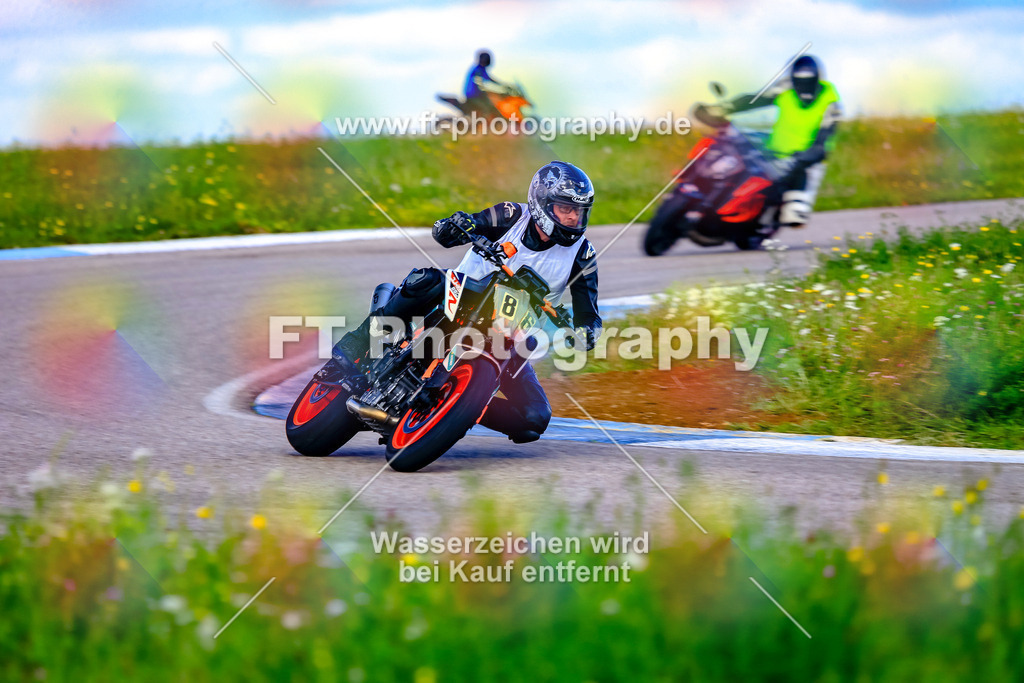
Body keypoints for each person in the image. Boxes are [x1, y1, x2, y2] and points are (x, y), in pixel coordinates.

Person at [328, 161, 602, 444]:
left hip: (512, 335)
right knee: (425, 280)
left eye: (580, 210)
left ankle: (452, 409)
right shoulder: (511, 215)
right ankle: (359, 343)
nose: (573, 217)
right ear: (542, 203)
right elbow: (456, 230)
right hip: (463, 298)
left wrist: (587, 332)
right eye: (565, 208)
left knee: (534, 417)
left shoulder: (583, 254)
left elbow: (590, 314)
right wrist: (458, 225)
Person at [718, 55, 842, 228]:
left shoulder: (831, 102)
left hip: (807, 161)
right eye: (799, 81)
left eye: (808, 81)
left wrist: (813, 153)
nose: (803, 86)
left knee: (794, 215)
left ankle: (775, 217)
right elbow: (756, 99)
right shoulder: (785, 87)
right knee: (737, 159)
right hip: (774, 152)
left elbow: (826, 134)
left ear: (817, 78)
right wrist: (726, 108)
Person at [463, 49, 508, 115]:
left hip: (478, 94)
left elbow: (489, 78)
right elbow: (479, 84)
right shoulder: (477, 70)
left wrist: (503, 84)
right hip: (473, 96)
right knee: (489, 108)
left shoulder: (481, 68)